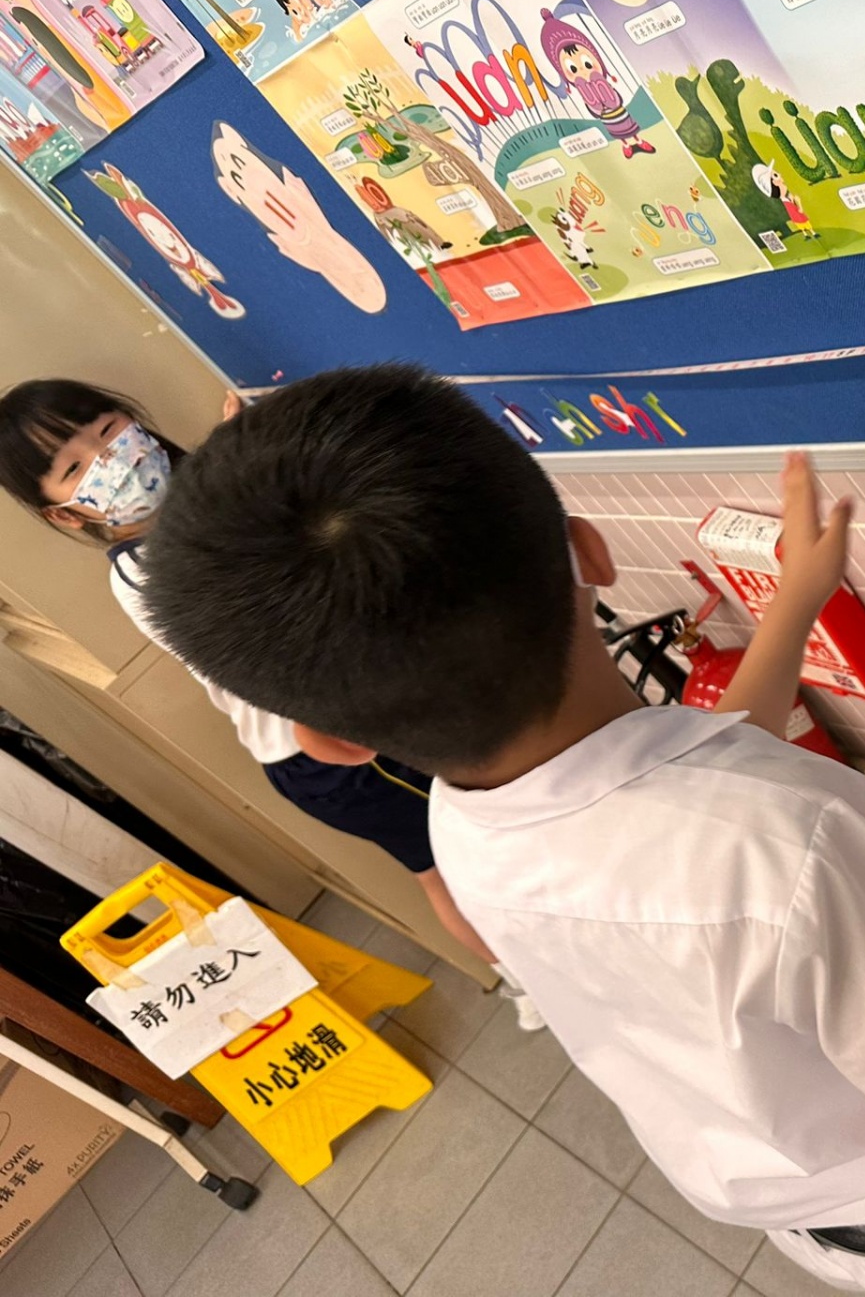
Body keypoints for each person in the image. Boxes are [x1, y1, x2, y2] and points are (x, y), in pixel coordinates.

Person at [131, 364, 865, 1297]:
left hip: (851, 1225)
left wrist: (792, 605)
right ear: (590, 550)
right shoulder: (795, 848)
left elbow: (697, 773)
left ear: (327, 740)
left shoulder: (465, 829)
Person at [0, 379, 542, 1030]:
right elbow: (272, 624)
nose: (109, 458)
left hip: (368, 707)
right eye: (75, 467)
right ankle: (529, 980)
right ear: (65, 514)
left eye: (108, 429)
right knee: (443, 865)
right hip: (328, 751)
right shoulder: (142, 573)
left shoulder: (216, 488)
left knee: (493, 824)